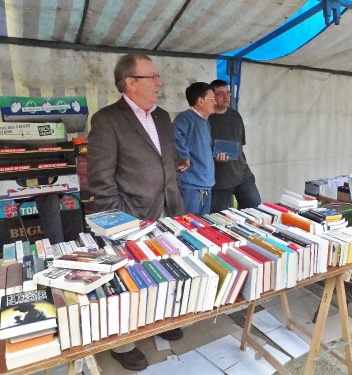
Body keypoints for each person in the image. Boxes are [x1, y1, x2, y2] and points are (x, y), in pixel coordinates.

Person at [88, 54, 185, 371]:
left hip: (168, 210)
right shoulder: (107, 120)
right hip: (129, 217)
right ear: (130, 82)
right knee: (129, 281)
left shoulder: (163, 117)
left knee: (167, 271)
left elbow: (164, 161)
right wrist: (116, 226)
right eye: (152, 77)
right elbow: (101, 180)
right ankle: (124, 341)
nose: (159, 83)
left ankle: (161, 319)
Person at [208, 80, 261, 212]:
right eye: (220, 93)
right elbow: (201, 152)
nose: (226, 97)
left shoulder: (235, 115)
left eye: (227, 93)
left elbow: (240, 145)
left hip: (242, 174)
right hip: (219, 180)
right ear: (212, 96)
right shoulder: (206, 119)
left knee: (254, 208)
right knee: (217, 219)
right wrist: (214, 158)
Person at [173, 82, 220, 215]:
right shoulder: (185, 118)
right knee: (188, 226)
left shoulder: (205, 122)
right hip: (191, 186)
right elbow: (174, 133)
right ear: (200, 101)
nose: (215, 103)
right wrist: (184, 157)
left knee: (202, 226)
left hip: (206, 183)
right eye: (212, 99)